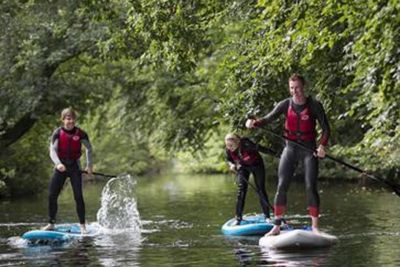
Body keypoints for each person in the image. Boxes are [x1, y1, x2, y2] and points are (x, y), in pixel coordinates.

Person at [245, 73, 330, 235]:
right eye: (292, 88)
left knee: (310, 186)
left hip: (308, 150)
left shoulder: (314, 106)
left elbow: (326, 129)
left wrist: (322, 146)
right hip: (290, 149)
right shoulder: (285, 104)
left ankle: (315, 227)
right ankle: (276, 226)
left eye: (297, 87)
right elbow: (267, 119)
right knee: (281, 185)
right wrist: (253, 123)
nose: (295, 91)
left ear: (304, 87)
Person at [42, 108, 93, 234]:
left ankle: (82, 226)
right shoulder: (57, 133)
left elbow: (89, 149)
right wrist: (58, 164)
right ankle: (51, 223)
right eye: (68, 118)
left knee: (78, 196)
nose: (70, 121)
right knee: (52, 195)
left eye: (72, 119)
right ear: (63, 119)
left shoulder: (81, 133)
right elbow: (52, 150)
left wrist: (89, 165)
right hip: (61, 168)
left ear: (75, 120)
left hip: (75, 167)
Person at [225, 133, 275, 225]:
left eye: (231, 145)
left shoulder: (247, 145)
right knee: (241, 191)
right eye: (227, 145)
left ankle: (267, 216)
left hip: (257, 165)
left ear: (238, 142)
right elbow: (228, 159)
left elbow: (261, 149)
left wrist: (278, 154)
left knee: (261, 190)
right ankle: (238, 217)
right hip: (243, 167)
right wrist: (231, 165)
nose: (229, 147)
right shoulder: (228, 149)